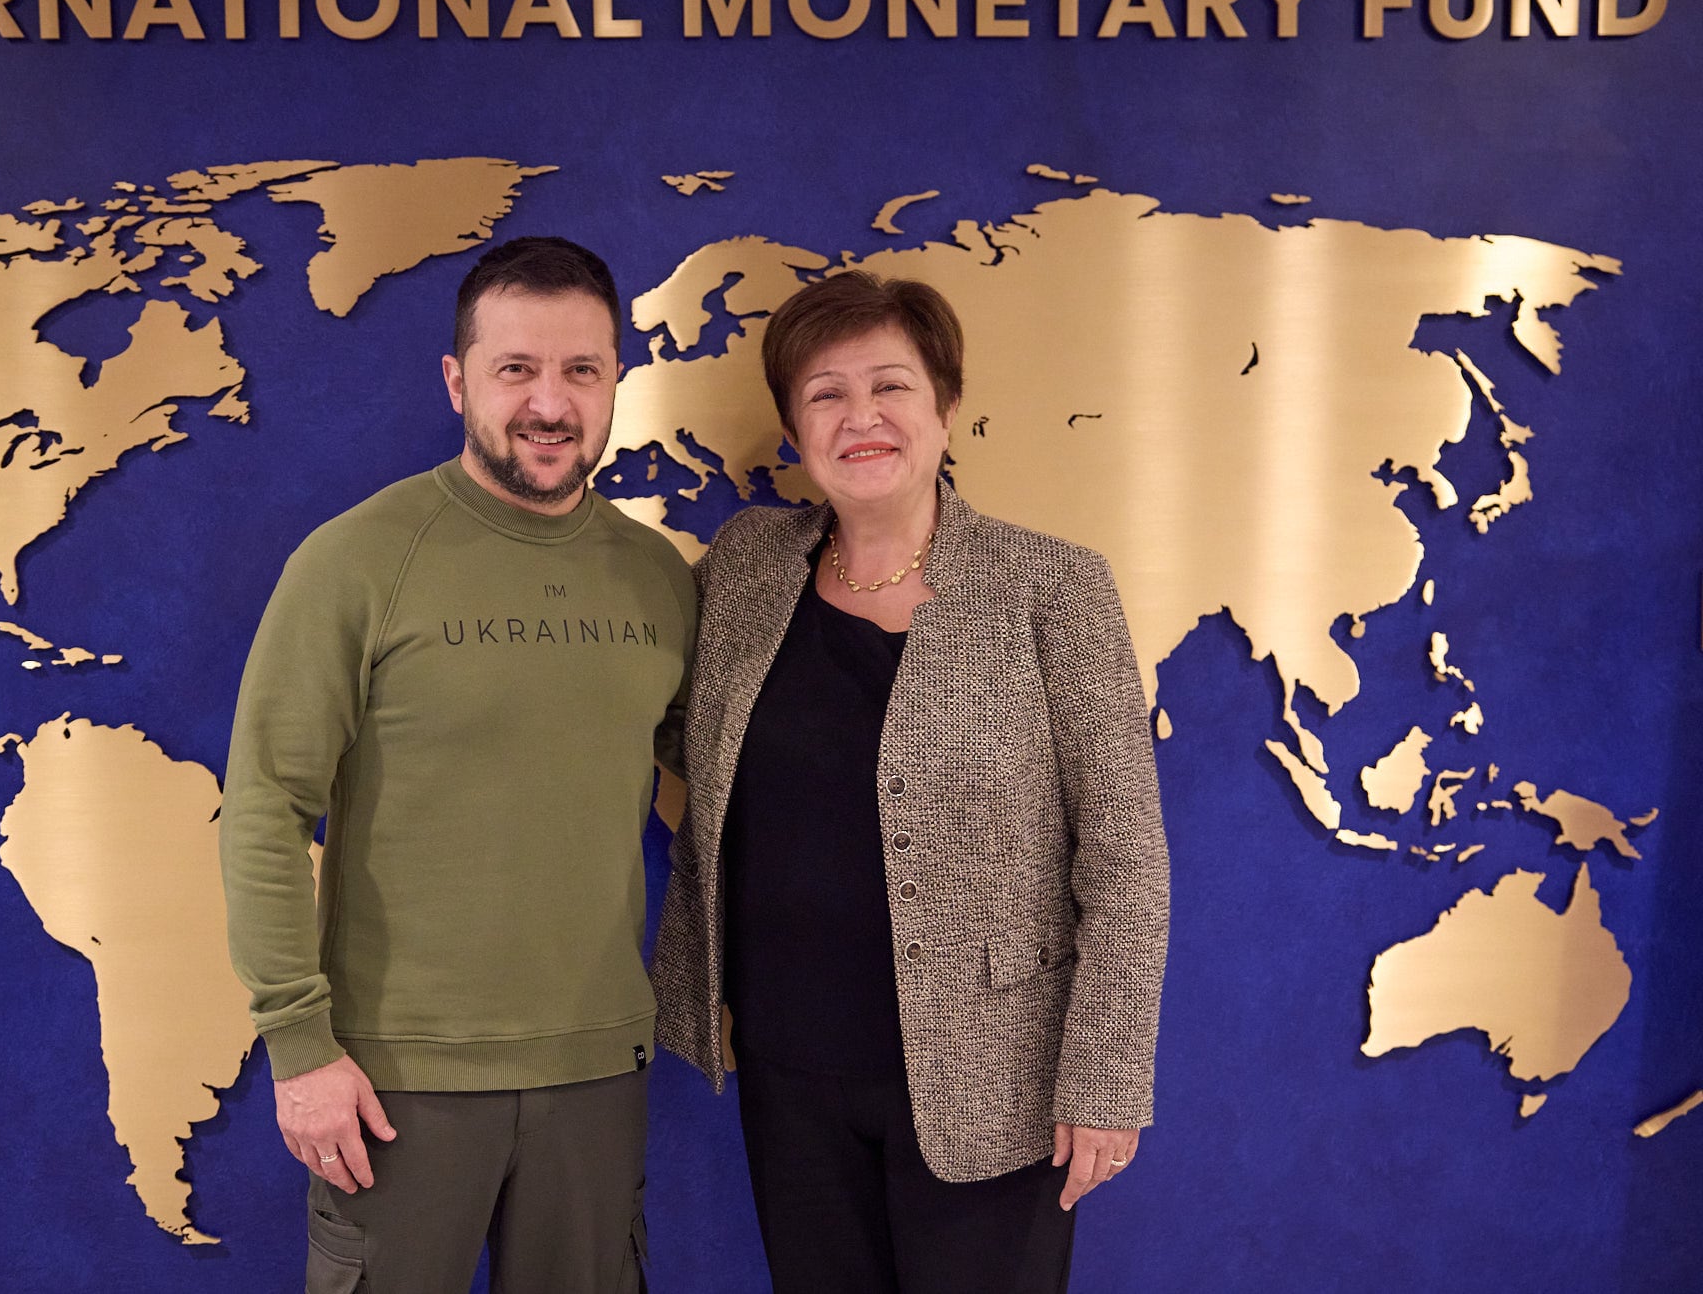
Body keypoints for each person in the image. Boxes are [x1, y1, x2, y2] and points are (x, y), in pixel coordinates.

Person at [651, 271, 1168, 1294]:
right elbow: (682, 733)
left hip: (992, 1079)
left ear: (944, 404)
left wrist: (1105, 1080)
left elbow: (1124, 858)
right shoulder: (746, 569)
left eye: (888, 386)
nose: (860, 418)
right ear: (795, 430)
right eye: (824, 395)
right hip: (788, 1069)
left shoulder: (1050, 588)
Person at [221, 236, 695, 1294]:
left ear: (616, 377)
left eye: (580, 369)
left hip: (595, 1075)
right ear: (456, 381)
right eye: (514, 368)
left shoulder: (657, 577)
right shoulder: (355, 561)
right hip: (393, 1083)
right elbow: (263, 805)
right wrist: (297, 1047)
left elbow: (725, 775)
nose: (549, 403)